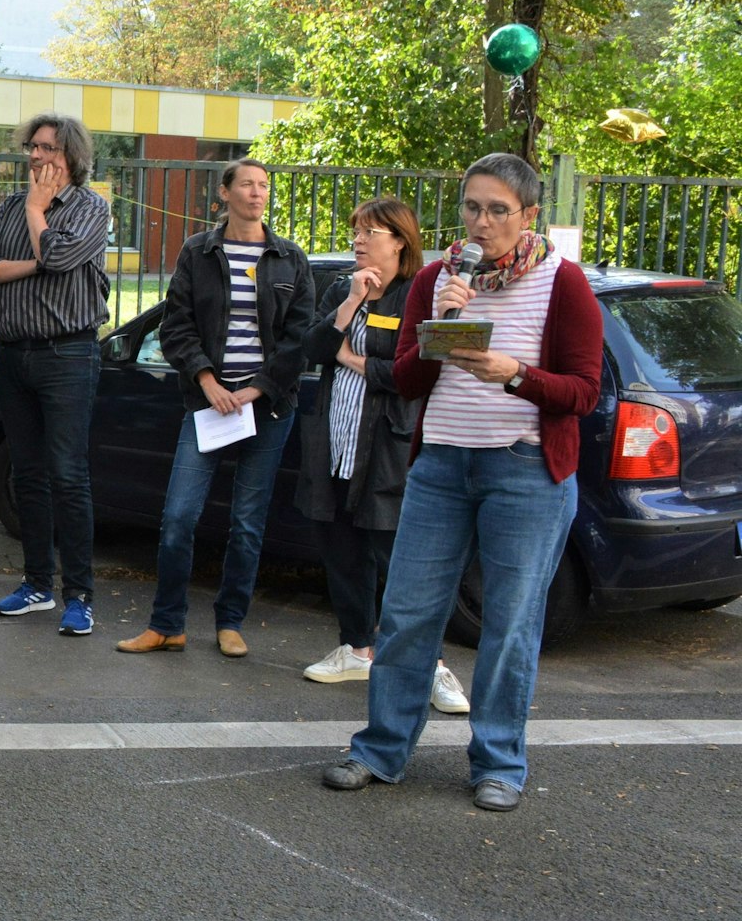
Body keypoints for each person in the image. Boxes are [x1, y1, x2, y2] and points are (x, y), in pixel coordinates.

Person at [324, 153, 601, 812]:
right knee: (409, 613)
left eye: (497, 209)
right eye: (471, 207)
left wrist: (512, 372)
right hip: (441, 468)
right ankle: (380, 750)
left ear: (529, 214)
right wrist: (443, 323)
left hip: (526, 471)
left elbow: (583, 392)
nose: (480, 222)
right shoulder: (442, 276)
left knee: (508, 621)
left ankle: (499, 762)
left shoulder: (563, 284)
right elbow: (412, 379)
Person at [118, 158, 314, 657]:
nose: (257, 192)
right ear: (224, 193)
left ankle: (230, 622)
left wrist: (259, 388)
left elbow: (300, 338)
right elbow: (176, 324)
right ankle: (167, 624)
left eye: (263, 185)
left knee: (247, 522)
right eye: (246, 184)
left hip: (267, 409)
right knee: (179, 516)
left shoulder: (290, 257)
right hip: (209, 404)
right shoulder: (198, 251)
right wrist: (207, 380)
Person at [295, 199, 471, 715]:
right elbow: (310, 348)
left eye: (370, 232)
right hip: (336, 440)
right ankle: (357, 647)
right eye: (356, 232)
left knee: (399, 563)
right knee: (341, 546)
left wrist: (350, 357)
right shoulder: (341, 288)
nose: (358, 240)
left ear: (400, 240)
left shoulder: (417, 295)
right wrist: (349, 304)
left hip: (389, 446)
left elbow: (413, 373)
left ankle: (433, 665)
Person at [0, 112, 112, 635]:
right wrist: (31, 259)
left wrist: (36, 210)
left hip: (67, 356)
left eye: (47, 148)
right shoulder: (8, 206)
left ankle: (80, 596)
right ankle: (36, 586)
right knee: (26, 474)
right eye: (32, 146)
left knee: (67, 475)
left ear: (70, 156)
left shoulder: (92, 208)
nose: (35, 156)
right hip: (14, 356)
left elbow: (61, 250)